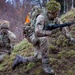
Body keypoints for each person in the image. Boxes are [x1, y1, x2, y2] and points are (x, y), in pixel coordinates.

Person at [12, 1, 75, 75]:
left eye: (57, 13)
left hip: (38, 35)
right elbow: (37, 32)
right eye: (55, 13)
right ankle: (46, 66)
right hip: (32, 35)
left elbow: (62, 27)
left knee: (38, 58)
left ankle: (20, 59)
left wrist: (70, 38)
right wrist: (50, 33)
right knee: (44, 39)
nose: (56, 14)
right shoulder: (41, 17)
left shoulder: (55, 18)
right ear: (50, 12)